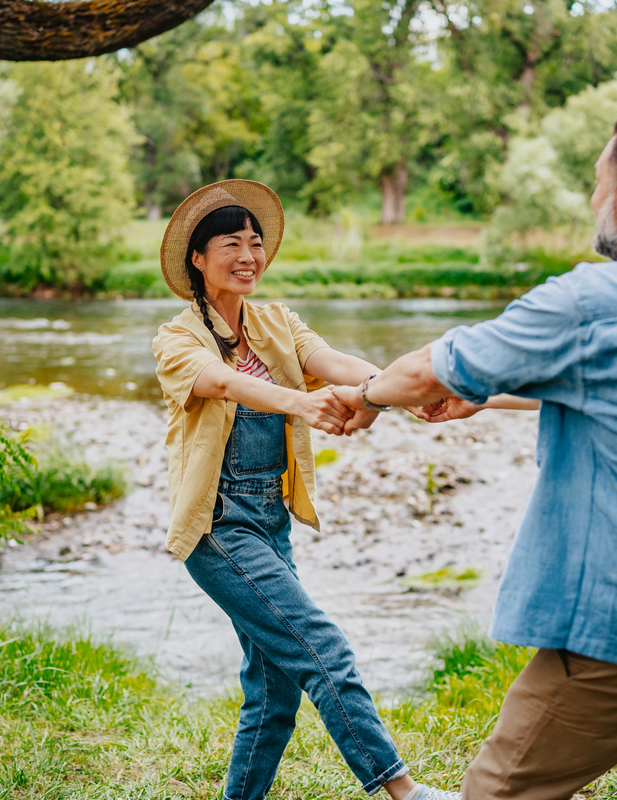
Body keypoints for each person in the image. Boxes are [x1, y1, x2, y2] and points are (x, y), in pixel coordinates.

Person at [334, 104, 617, 800]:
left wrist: (367, 394)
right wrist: (486, 397)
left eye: (599, 183)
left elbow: (429, 369)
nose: (596, 199)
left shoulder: (595, 299)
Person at [151, 180, 458, 800]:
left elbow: (338, 362)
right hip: (217, 527)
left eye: (256, 243)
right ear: (198, 258)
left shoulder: (276, 320)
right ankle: (402, 792)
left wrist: (392, 392)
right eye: (232, 244)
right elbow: (225, 384)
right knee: (322, 647)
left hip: (270, 523)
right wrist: (305, 403)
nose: (249, 256)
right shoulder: (177, 339)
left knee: (274, 688)